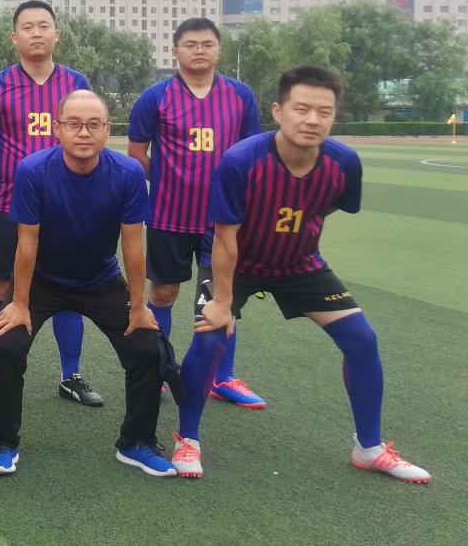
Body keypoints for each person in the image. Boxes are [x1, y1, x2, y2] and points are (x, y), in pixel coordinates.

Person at [170, 66, 430, 483]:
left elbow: (325, 205)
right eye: (302, 109)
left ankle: (369, 448)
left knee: (362, 340)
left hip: (300, 265)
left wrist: (291, 237)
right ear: (278, 111)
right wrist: (221, 302)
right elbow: (224, 238)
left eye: (324, 112)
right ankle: (187, 439)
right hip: (237, 264)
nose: (312, 119)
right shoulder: (241, 161)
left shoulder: (344, 163)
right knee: (209, 337)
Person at [0, 90, 174, 477]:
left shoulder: (128, 173)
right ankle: (2, 441)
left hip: (99, 280)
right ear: (57, 129)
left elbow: (133, 247)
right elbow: (27, 243)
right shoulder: (33, 169)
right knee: (6, 346)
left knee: (147, 347)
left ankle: (136, 442)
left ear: (107, 130)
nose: (83, 132)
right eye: (73, 124)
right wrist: (20, 303)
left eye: (93, 124)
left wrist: (139, 307)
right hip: (41, 281)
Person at [127, 17, 266, 408]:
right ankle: (158, 369)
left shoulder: (240, 95)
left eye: (207, 43)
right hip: (168, 215)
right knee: (163, 292)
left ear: (219, 49)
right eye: (190, 44)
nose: (199, 50)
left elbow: (253, 153)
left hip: (222, 222)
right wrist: (168, 179)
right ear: (175, 51)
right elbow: (136, 155)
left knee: (218, 297)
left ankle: (221, 377)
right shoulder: (155, 97)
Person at [0, 0, 98, 407]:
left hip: (70, 204)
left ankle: (70, 375)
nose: (36, 32)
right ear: (15, 37)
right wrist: (16, 176)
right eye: (28, 26)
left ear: (56, 34)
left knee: (70, 287)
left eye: (44, 25)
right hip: (9, 202)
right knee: (1, 286)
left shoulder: (77, 83)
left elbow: (88, 135)